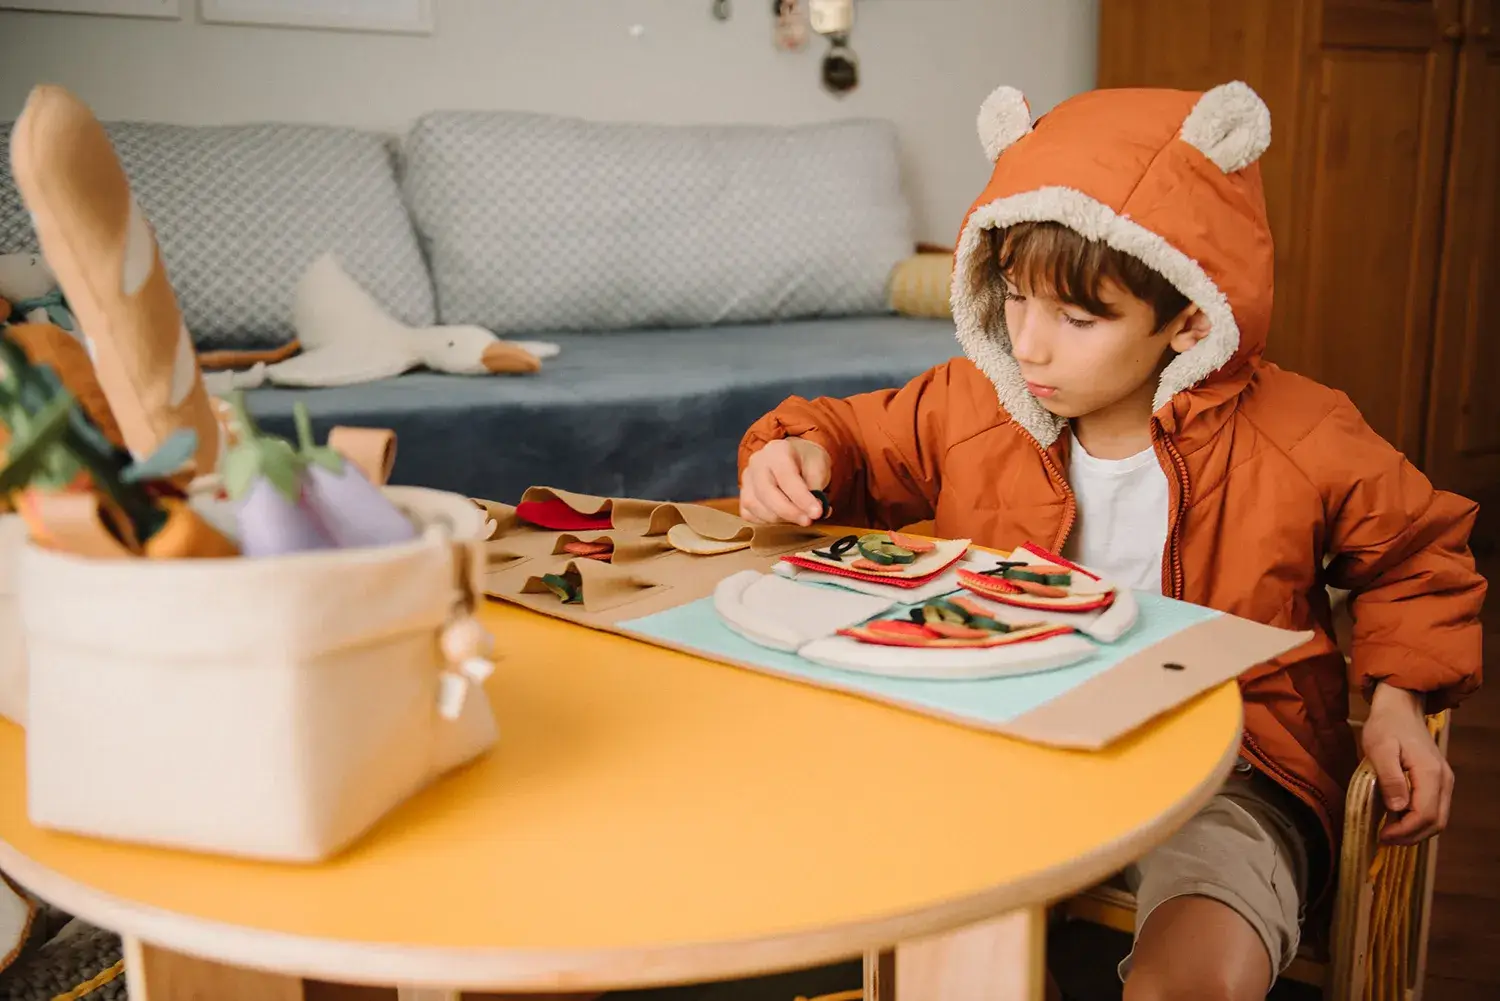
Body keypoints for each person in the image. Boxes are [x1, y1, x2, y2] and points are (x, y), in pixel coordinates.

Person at [736, 81, 1486, 999]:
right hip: (1010, 752)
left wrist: (1403, 696)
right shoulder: (976, 403)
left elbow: (1418, 553)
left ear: (1191, 318)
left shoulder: (1303, 432)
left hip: (1235, 772)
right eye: (1013, 299)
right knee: (943, 954)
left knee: (1192, 979)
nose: (1032, 347)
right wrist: (797, 449)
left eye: (1078, 319)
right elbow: (847, 436)